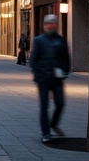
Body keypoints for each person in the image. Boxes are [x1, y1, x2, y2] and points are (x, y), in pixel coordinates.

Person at [30, 13, 71, 143]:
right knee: (44, 106)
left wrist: (65, 71)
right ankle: (45, 132)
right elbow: (33, 60)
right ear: (44, 25)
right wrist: (37, 76)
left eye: (53, 23)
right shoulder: (39, 40)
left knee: (60, 103)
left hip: (57, 78)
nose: (51, 25)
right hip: (43, 79)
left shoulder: (61, 40)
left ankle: (53, 124)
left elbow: (66, 57)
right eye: (48, 23)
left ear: (56, 25)